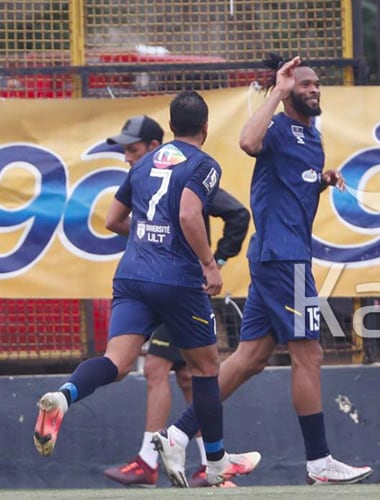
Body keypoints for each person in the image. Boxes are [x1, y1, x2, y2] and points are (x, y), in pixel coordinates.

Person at [150, 54, 373, 486]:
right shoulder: (274, 126)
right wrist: (277, 93)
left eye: (314, 84)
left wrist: (322, 180)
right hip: (283, 258)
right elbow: (248, 143)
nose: (312, 89)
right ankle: (319, 462)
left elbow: (292, 189)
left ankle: (177, 434)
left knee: (249, 359)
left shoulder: (313, 137)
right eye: (303, 84)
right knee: (310, 354)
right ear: (287, 90)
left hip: (282, 257)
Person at [33, 91, 261, 488]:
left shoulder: (143, 165)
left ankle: (65, 396)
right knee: (207, 368)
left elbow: (113, 218)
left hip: (132, 276)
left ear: (170, 128)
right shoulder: (204, 164)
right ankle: (218, 462)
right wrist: (209, 262)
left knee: (116, 362)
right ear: (206, 128)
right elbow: (190, 212)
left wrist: (146, 235)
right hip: (177, 281)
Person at [101, 115, 251, 488]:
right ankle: (210, 465)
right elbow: (117, 221)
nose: (127, 159)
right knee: (187, 375)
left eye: (133, 150)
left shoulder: (185, 176)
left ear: (156, 147)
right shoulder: (148, 177)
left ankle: (150, 460)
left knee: (161, 369)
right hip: (162, 280)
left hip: (181, 285)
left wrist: (214, 261)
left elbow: (237, 213)